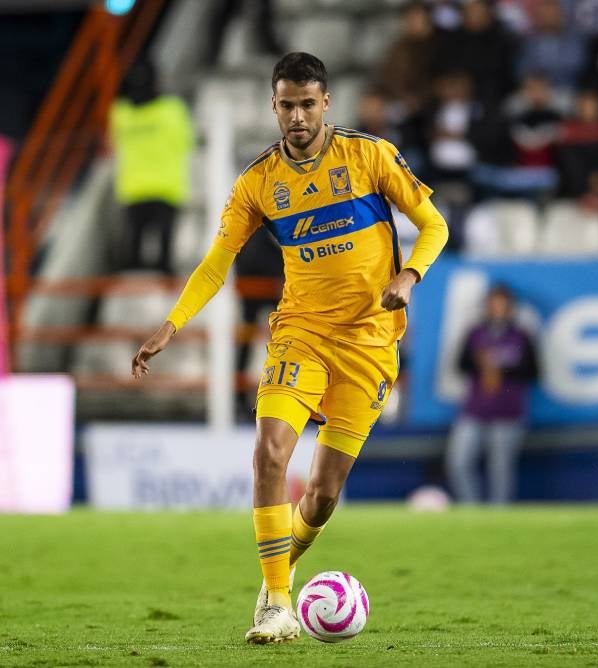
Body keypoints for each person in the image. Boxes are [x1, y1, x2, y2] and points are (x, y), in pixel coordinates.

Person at [130, 52, 449, 643]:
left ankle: (287, 562)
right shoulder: (257, 183)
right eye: (286, 105)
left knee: (324, 495)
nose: (297, 116)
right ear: (272, 106)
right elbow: (214, 264)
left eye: (307, 103)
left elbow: (435, 225)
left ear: (326, 102)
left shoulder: (370, 155)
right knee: (271, 454)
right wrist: (171, 326)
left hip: (370, 341)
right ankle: (276, 602)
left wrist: (410, 277)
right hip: (300, 332)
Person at [446, 284, 539, 505]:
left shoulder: (521, 335)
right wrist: (481, 366)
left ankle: (498, 515)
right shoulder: (476, 333)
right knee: (459, 462)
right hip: (475, 408)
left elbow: (534, 372)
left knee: (501, 469)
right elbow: (460, 365)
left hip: (508, 410)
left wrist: (501, 369)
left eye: (502, 304)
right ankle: (472, 509)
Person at [109, 59, 194, 273]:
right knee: (164, 253)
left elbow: (113, 143)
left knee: (133, 252)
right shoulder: (173, 110)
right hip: (166, 186)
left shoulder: (120, 114)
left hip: (134, 187)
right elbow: (187, 141)